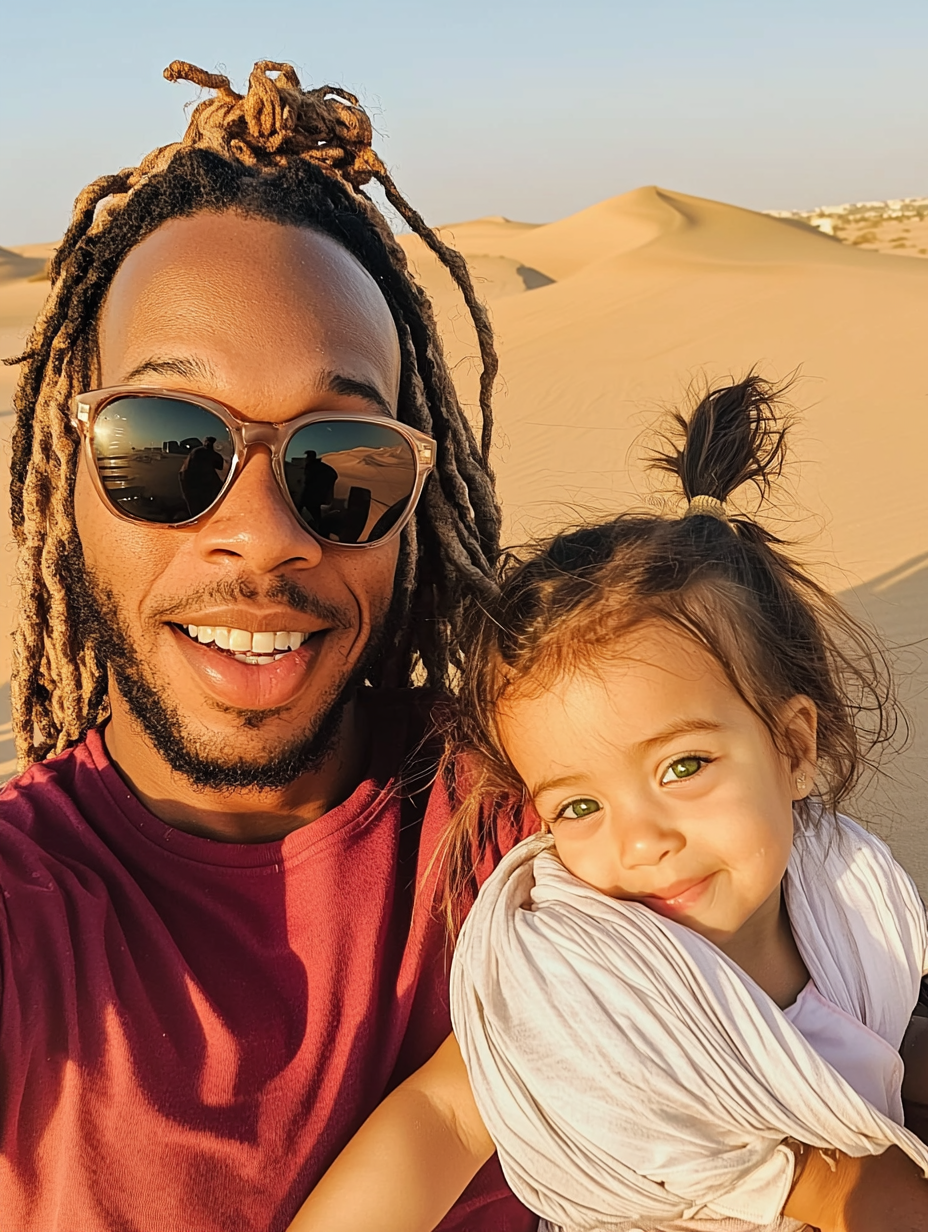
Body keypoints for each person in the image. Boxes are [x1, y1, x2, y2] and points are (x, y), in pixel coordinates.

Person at [2, 59, 531, 1232]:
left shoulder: (535, 810)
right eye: (167, 445)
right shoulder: (23, 911)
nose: (263, 534)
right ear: (64, 477)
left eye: (341, 462)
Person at [289, 378, 928, 1232]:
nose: (640, 841)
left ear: (795, 747)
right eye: (579, 807)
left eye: (683, 765)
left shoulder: (849, 897)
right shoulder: (582, 971)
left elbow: (872, 1050)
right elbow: (441, 1115)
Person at [179, 433, 226, 515]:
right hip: (194, 481)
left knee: (195, 508)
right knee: (198, 508)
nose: (208, 444)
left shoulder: (197, 451)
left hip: (189, 480)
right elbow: (220, 467)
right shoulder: (206, 453)